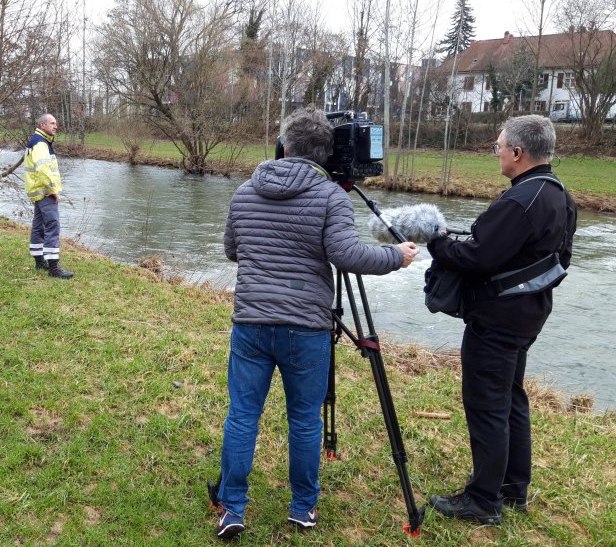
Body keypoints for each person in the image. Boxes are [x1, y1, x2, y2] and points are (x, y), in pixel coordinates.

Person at [215, 107, 419, 539]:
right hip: (304, 328)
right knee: (305, 419)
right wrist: (396, 257)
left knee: (242, 416)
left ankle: (232, 508)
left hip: (250, 321)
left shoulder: (245, 191)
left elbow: (232, 250)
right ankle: (303, 507)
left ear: (283, 147)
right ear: (326, 156)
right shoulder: (330, 196)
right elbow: (348, 255)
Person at [427, 115, 577, 525]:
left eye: (498, 146)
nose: (495, 152)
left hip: (497, 319)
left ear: (518, 152)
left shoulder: (519, 200)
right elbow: (559, 261)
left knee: (488, 406)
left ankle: (482, 501)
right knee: (511, 401)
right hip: (527, 315)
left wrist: (435, 239)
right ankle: (512, 490)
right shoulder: (560, 195)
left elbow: (475, 257)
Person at [24, 113, 74, 279]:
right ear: (43, 125)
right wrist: (52, 190)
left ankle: (39, 261)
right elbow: (44, 170)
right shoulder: (40, 143)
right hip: (45, 192)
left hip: (38, 192)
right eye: (52, 123)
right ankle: (53, 268)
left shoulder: (39, 141)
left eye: (56, 123)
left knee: (38, 226)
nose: (56, 126)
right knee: (52, 225)